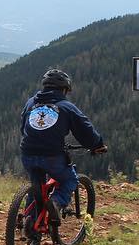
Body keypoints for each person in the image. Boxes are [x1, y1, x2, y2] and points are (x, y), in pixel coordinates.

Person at [19, 69, 107, 223]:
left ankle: (29, 221)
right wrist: (97, 144)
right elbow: (85, 130)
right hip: (52, 156)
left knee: (37, 186)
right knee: (70, 180)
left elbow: (23, 128)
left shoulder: (31, 102)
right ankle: (56, 202)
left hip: (27, 153)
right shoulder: (66, 106)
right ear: (65, 89)